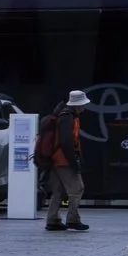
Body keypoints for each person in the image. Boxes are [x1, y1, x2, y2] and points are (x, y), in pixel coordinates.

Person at [41, 87, 92, 231]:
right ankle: (73, 219)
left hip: (56, 159)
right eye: (83, 104)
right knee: (77, 188)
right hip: (64, 160)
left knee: (59, 190)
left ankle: (53, 220)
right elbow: (65, 141)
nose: (84, 107)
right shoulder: (67, 117)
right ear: (78, 105)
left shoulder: (63, 115)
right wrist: (73, 162)